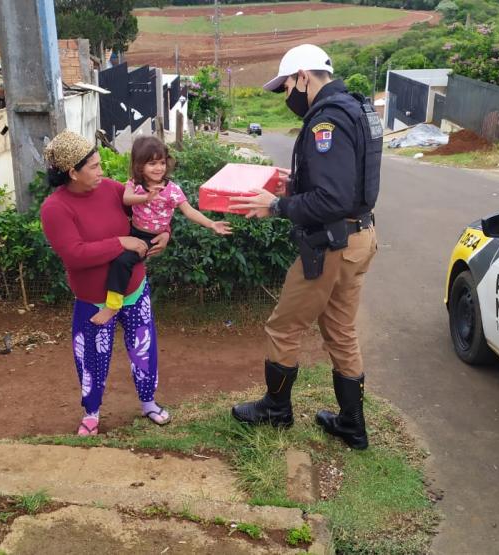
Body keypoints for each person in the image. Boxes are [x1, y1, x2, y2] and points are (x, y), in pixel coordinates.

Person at [228, 44, 383, 450]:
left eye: (286, 87)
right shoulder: (358, 108)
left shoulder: (326, 122)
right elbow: (347, 188)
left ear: (303, 76)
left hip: (331, 244)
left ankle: (275, 410)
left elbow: (331, 200)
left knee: (283, 326)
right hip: (359, 235)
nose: (287, 97)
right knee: (341, 331)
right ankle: (352, 424)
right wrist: (296, 184)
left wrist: (277, 205)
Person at [40, 130, 172, 436]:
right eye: (95, 167)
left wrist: (165, 235)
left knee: (143, 348)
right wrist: (121, 242)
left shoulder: (113, 190)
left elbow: (150, 216)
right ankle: (92, 412)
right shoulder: (55, 209)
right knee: (91, 357)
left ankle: (149, 402)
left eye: (101, 164)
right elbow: (75, 255)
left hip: (134, 289)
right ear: (72, 172)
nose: (102, 171)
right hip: (93, 299)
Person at [90, 136, 232, 325]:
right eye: (152, 163)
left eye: (162, 162)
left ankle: (113, 305)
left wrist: (211, 224)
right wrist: (146, 198)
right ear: (140, 166)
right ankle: (100, 296)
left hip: (151, 239)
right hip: (132, 232)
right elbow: (126, 199)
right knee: (108, 253)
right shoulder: (134, 184)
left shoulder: (172, 190)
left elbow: (189, 211)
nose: (159, 168)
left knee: (122, 261)